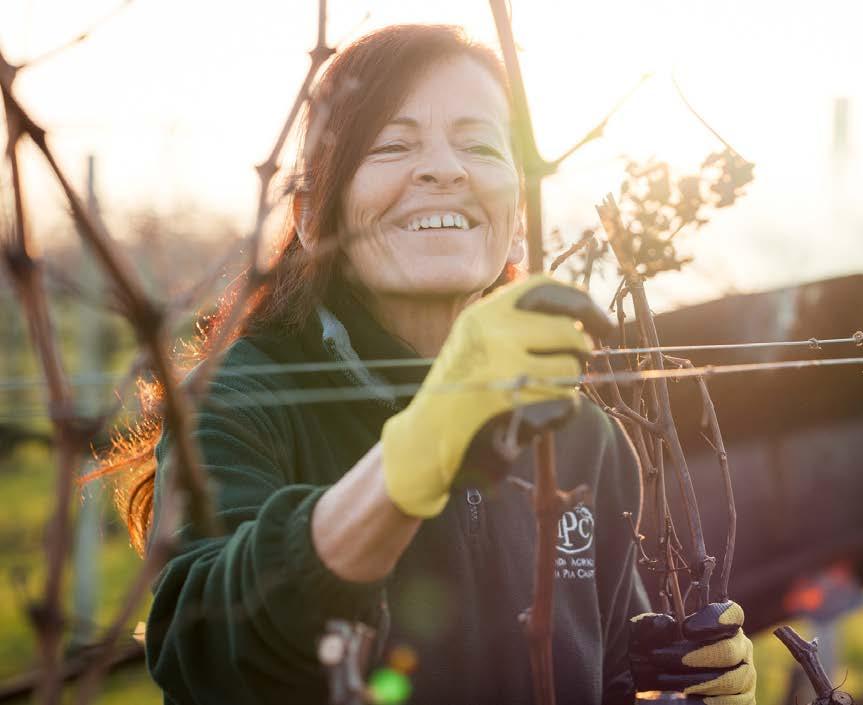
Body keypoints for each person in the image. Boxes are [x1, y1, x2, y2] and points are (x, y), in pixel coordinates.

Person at [104, 24, 756, 705]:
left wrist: (667, 680)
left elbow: (603, 675)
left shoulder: (582, 436)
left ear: (517, 218)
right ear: (311, 216)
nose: (445, 169)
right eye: (392, 145)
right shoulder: (242, 397)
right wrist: (431, 434)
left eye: (479, 145)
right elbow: (205, 650)